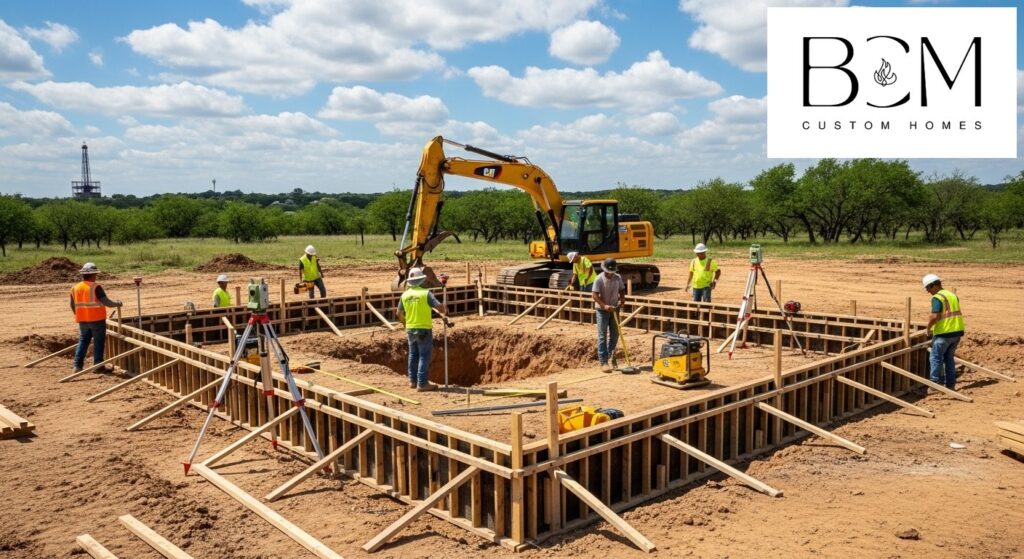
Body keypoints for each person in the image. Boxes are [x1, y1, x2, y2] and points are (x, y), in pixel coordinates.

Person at [396, 267, 450, 392]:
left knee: (413, 355)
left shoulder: (405, 295)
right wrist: (444, 308)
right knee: (424, 356)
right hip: (424, 329)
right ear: (421, 281)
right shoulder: (426, 294)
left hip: (410, 328)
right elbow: (440, 308)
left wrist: (405, 323)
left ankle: (412, 381)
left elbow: (398, 313)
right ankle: (422, 383)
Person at [69, 262, 122, 374]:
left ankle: (77, 366)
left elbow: (72, 305)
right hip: (97, 320)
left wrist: (79, 314)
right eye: (95, 275)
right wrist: (118, 303)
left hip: (83, 320)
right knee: (98, 342)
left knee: (83, 341)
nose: (96, 277)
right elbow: (107, 302)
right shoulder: (95, 287)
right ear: (92, 275)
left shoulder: (75, 288)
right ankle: (98, 366)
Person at [923, 273, 964, 390]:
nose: (927, 291)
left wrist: (928, 328)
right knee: (949, 358)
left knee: (935, 357)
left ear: (933, 286)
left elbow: (934, 316)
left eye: (927, 288)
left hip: (944, 333)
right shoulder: (952, 295)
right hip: (957, 332)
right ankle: (950, 385)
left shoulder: (937, 298)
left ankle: (935, 384)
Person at [592, 258, 626, 372]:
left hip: (615, 309)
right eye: (609, 271)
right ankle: (604, 362)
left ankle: (611, 357)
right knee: (602, 336)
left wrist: (622, 300)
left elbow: (622, 290)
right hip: (602, 311)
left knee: (615, 335)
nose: (610, 274)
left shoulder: (618, 277)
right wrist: (604, 306)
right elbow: (595, 295)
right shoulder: (599, 279)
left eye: (612, 271)